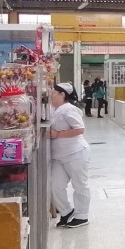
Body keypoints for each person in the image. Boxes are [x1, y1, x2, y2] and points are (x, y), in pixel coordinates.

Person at [49, 82, 91, 229]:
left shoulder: (69, 109)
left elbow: (80, 129)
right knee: (55, 185)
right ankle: (66, 211)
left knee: (80, 185)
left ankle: (82, 216)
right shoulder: (54, 109)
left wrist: (58, 134)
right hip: (59, 155)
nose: (51, 94)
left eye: (54, 92)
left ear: (62, 95)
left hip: (76, 152)